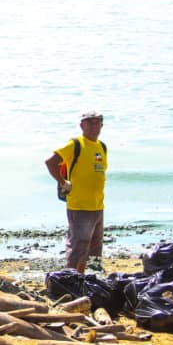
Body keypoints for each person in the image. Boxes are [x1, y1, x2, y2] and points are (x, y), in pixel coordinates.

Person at [45, 110, 108, 273]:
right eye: (90, 123)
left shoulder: (101, 146)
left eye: (97, 122)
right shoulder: (75, 144)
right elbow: (51, 161)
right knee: (78, 246)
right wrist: (62, 182)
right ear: (82, 125)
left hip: (97, 205)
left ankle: (88, 279)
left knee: (94, 247)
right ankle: (71, 278)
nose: (94, 126)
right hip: (79, 205)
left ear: (102, 125)